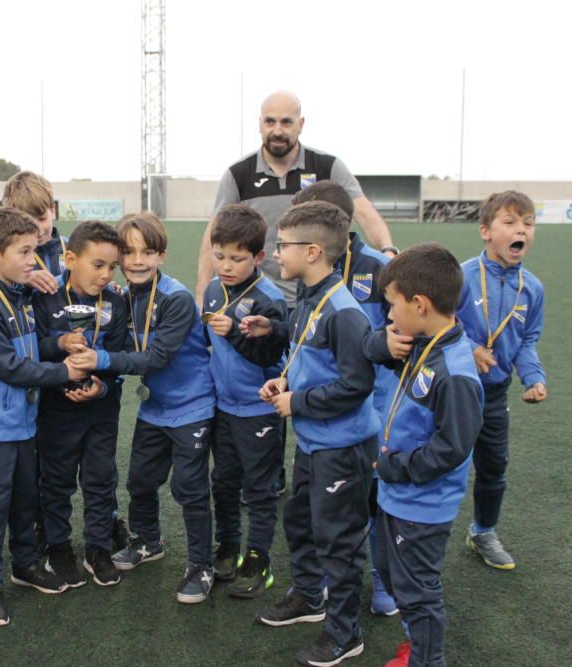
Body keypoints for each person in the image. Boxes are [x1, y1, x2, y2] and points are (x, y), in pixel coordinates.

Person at [249, 201, 378, 666]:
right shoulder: (309, 296)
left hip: (342, 448)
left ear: (313, 251)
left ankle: (346, 634)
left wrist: (296, 402)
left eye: (282, 245)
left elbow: (357, 385)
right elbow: (309, 357)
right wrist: (286, 379)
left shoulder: (345, 312)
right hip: (315, 442)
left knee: (339, 542)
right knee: (300, 521)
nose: (275, 253)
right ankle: (309, 596)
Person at [69, 212, 217, 605]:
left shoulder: (177, 298)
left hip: (191, 407)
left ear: (162, 256)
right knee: (139, 481)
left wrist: (98, 361)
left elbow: (155, 358)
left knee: (189, 488)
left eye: (147, 252)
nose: (137, 260)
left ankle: (202, 565)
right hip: (155, 408)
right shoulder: (121, 296)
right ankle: (149, 541)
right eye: (129, 252)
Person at [0, 207, 88, 627]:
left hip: (20, 424)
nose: (33, 260)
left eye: (34, 250)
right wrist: (63, 372)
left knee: (25, 501)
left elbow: (29, 351)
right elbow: (9, 367)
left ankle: (25, 565)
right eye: (25, 251)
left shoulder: (18, 296)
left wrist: (57, 344)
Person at [365, 243, 484, 667]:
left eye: (393, 305)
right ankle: (417, 643)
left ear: (420, 303)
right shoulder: (424, 345)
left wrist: (396, 467)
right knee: (396, 579)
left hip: (421, 504)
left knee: (417, 591)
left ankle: (427, 659)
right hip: (398, 494)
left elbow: (452, 448)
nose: (389, 316)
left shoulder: (454, 372)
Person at [291, 181, 398, 616]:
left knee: (376, 501)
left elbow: (402, 330)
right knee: (337, 509)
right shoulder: (309, 282)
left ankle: (379, 581)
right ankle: (323, 584)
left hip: (378, 406)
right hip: (332, 409)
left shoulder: (379, 268)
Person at [196, 91, 396, 308]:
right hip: (258, 302)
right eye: (270, 121)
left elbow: (364, 213)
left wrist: (388, 250)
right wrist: (202, 294)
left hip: (317, 297)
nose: (277, 130)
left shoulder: (327, 166)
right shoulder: (238, 174)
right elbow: (214, 234)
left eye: (286, 122)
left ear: (300, 125)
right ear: (260, 124)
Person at [32, 221, 129, 587]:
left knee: (100, 481)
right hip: (56, 410)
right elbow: (34, 347)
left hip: (101, 410)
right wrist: (58, 344)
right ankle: (59, 548)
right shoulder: (44, 296)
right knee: (56, 483)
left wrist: (101, 389)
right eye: (97, 265)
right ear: (70, 258)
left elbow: (119, 356)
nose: (105, 274)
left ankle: (98, 549)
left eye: (111, 267)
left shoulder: (116, 302)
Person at [455, 191, 547, 570]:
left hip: (495, 394)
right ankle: (414, 527)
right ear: (485, 231)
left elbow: (528, 339)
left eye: (527, 223)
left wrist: (533, 377)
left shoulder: (533, 289)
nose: (520, 229)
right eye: (509, 222)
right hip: (455, 391)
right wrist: (469, 347)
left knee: (494, 467)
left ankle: (483, 531)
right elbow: (438, 323)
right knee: (440, 463)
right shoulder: (461, 276)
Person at [202, 204, 287, 599]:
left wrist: (236, 333)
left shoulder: (269, 299)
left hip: (258, 411)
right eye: (219, 256)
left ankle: (259, 558)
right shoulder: (213, 290)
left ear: (258, 257)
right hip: (223, 407)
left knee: (259, 489)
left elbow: (271, 359)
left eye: (237, 258)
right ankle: (229, 546)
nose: (226, 265)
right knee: (224, 482)